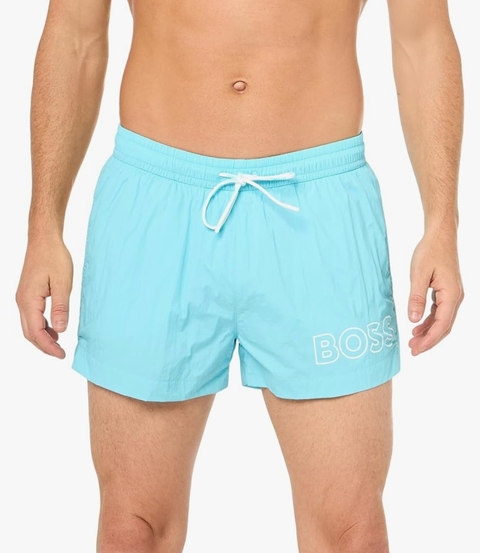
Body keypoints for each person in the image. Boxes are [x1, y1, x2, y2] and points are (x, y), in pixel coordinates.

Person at [16, 0, 464, 551]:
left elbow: (423, 40)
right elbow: (74, 35)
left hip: (319, 208)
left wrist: (442, 224)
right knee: (131, 529)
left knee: (353, 531)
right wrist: (44, 226)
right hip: (154, 203)